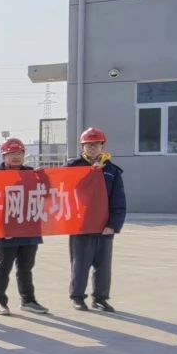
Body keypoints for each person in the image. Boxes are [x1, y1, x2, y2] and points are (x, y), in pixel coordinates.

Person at [67, 126, 126, 312]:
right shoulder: (73, 168)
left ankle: (100, 298)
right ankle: (78, 297)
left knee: (103, 265)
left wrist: (113, 225)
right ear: (82, 147)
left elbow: (118, 200)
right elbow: (60, 189)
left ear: (103, 146)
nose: (92, 148)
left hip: (104, 226)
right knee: (80, 264)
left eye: (96, 144)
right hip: (81, 225)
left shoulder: (112, 171)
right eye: (88, 145)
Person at [0, 137, 49, 316]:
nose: (16, 157)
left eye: (19, 153)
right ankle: (0, 301)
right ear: (4, 156)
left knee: (26, 268)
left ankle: (28, 300)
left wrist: (43, 178)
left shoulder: (32, 173)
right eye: (11, 154)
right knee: (3, 268)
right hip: (7, 230)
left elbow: (46, 194)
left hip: (29, 229)